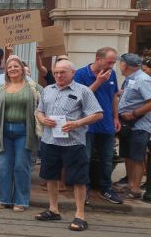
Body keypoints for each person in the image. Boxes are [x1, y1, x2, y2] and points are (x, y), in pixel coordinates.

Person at [35, 60, 103, 231]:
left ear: (72, 73)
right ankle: (53, 209)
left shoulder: (83, 91)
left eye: (63, 72)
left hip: (73, 142)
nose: (59, 75)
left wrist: (77, 123)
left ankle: (80, 215)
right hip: (50, 141)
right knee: (51, 176)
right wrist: (43, 119)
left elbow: (98, 114)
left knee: (78, 179)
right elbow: (39, 110)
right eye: (56, 72)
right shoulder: (48, 90)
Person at [0, 56, 42, 212]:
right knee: (4, 167)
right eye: (9, 67)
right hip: (4, 131)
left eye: (15, 66)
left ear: (22, 69)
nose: (12, 69)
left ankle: (21, 200)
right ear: (6, 70)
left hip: (24, 132)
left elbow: (47, 100)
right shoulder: (1, 89)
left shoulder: (32, 87)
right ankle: (5, 199)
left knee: (21, 166)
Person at [73, 47, 123, 204]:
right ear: (98, 59)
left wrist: (116, 117)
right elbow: (79, 98)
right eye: (109, 62)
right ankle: (84, 189)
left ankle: (106, 188)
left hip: (106, 123)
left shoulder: (112, 74)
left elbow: (114, 96)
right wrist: (98, 81)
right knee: (85, 158)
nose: (112, 66)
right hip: (87, 124)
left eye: (114, 62)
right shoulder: (81, 74)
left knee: (107, 159)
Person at [117, 53, 151, 201]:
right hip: (127, 125)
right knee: (128, 155)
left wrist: (134, 113)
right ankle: (131, 185)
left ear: (125, 65)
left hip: (139, 125)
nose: (119, 66)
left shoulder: (143, 80)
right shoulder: (131, 79)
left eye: (120, 63)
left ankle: (135, 189)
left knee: (136, 157)